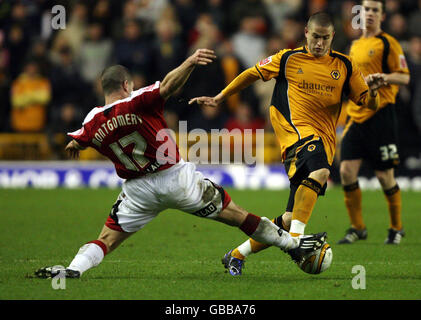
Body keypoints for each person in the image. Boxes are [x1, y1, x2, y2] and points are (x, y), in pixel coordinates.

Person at [34, 49, 326, 279]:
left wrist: (76, 143)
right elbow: (168, 87)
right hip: (175, 179)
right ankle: (294, 245)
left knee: (107, 239)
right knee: (238, 216)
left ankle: (73, 268)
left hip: (137, 192)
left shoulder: (91, 121)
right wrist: (190, 62)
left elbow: (79, 138)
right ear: (126, 85)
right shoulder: (135, 101)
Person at [189, 12, 383, 276]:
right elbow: (251, 74)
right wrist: (221, 97)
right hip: (296, 136)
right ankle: (296, 242)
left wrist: (373, 92)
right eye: (315, 37)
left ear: (332, 37)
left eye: (325, 38)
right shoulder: (287, 58)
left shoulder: (345, 66)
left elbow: (367, 103)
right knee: (321, 172)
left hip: (323, 142)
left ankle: (236, 254)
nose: (319, 43)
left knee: (290, 217)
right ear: (306, 33)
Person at [337, 0, 410, 245]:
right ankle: (358, 227)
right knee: (346, 171)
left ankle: (396, 227)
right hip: (356, 116)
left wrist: (384, 77)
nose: (369, 14)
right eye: (366, 9)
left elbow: (404, 77)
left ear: (382, 15)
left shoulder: (388, 43)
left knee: (384, 176)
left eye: (374, 10)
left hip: (381, 115)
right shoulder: (355, 45)